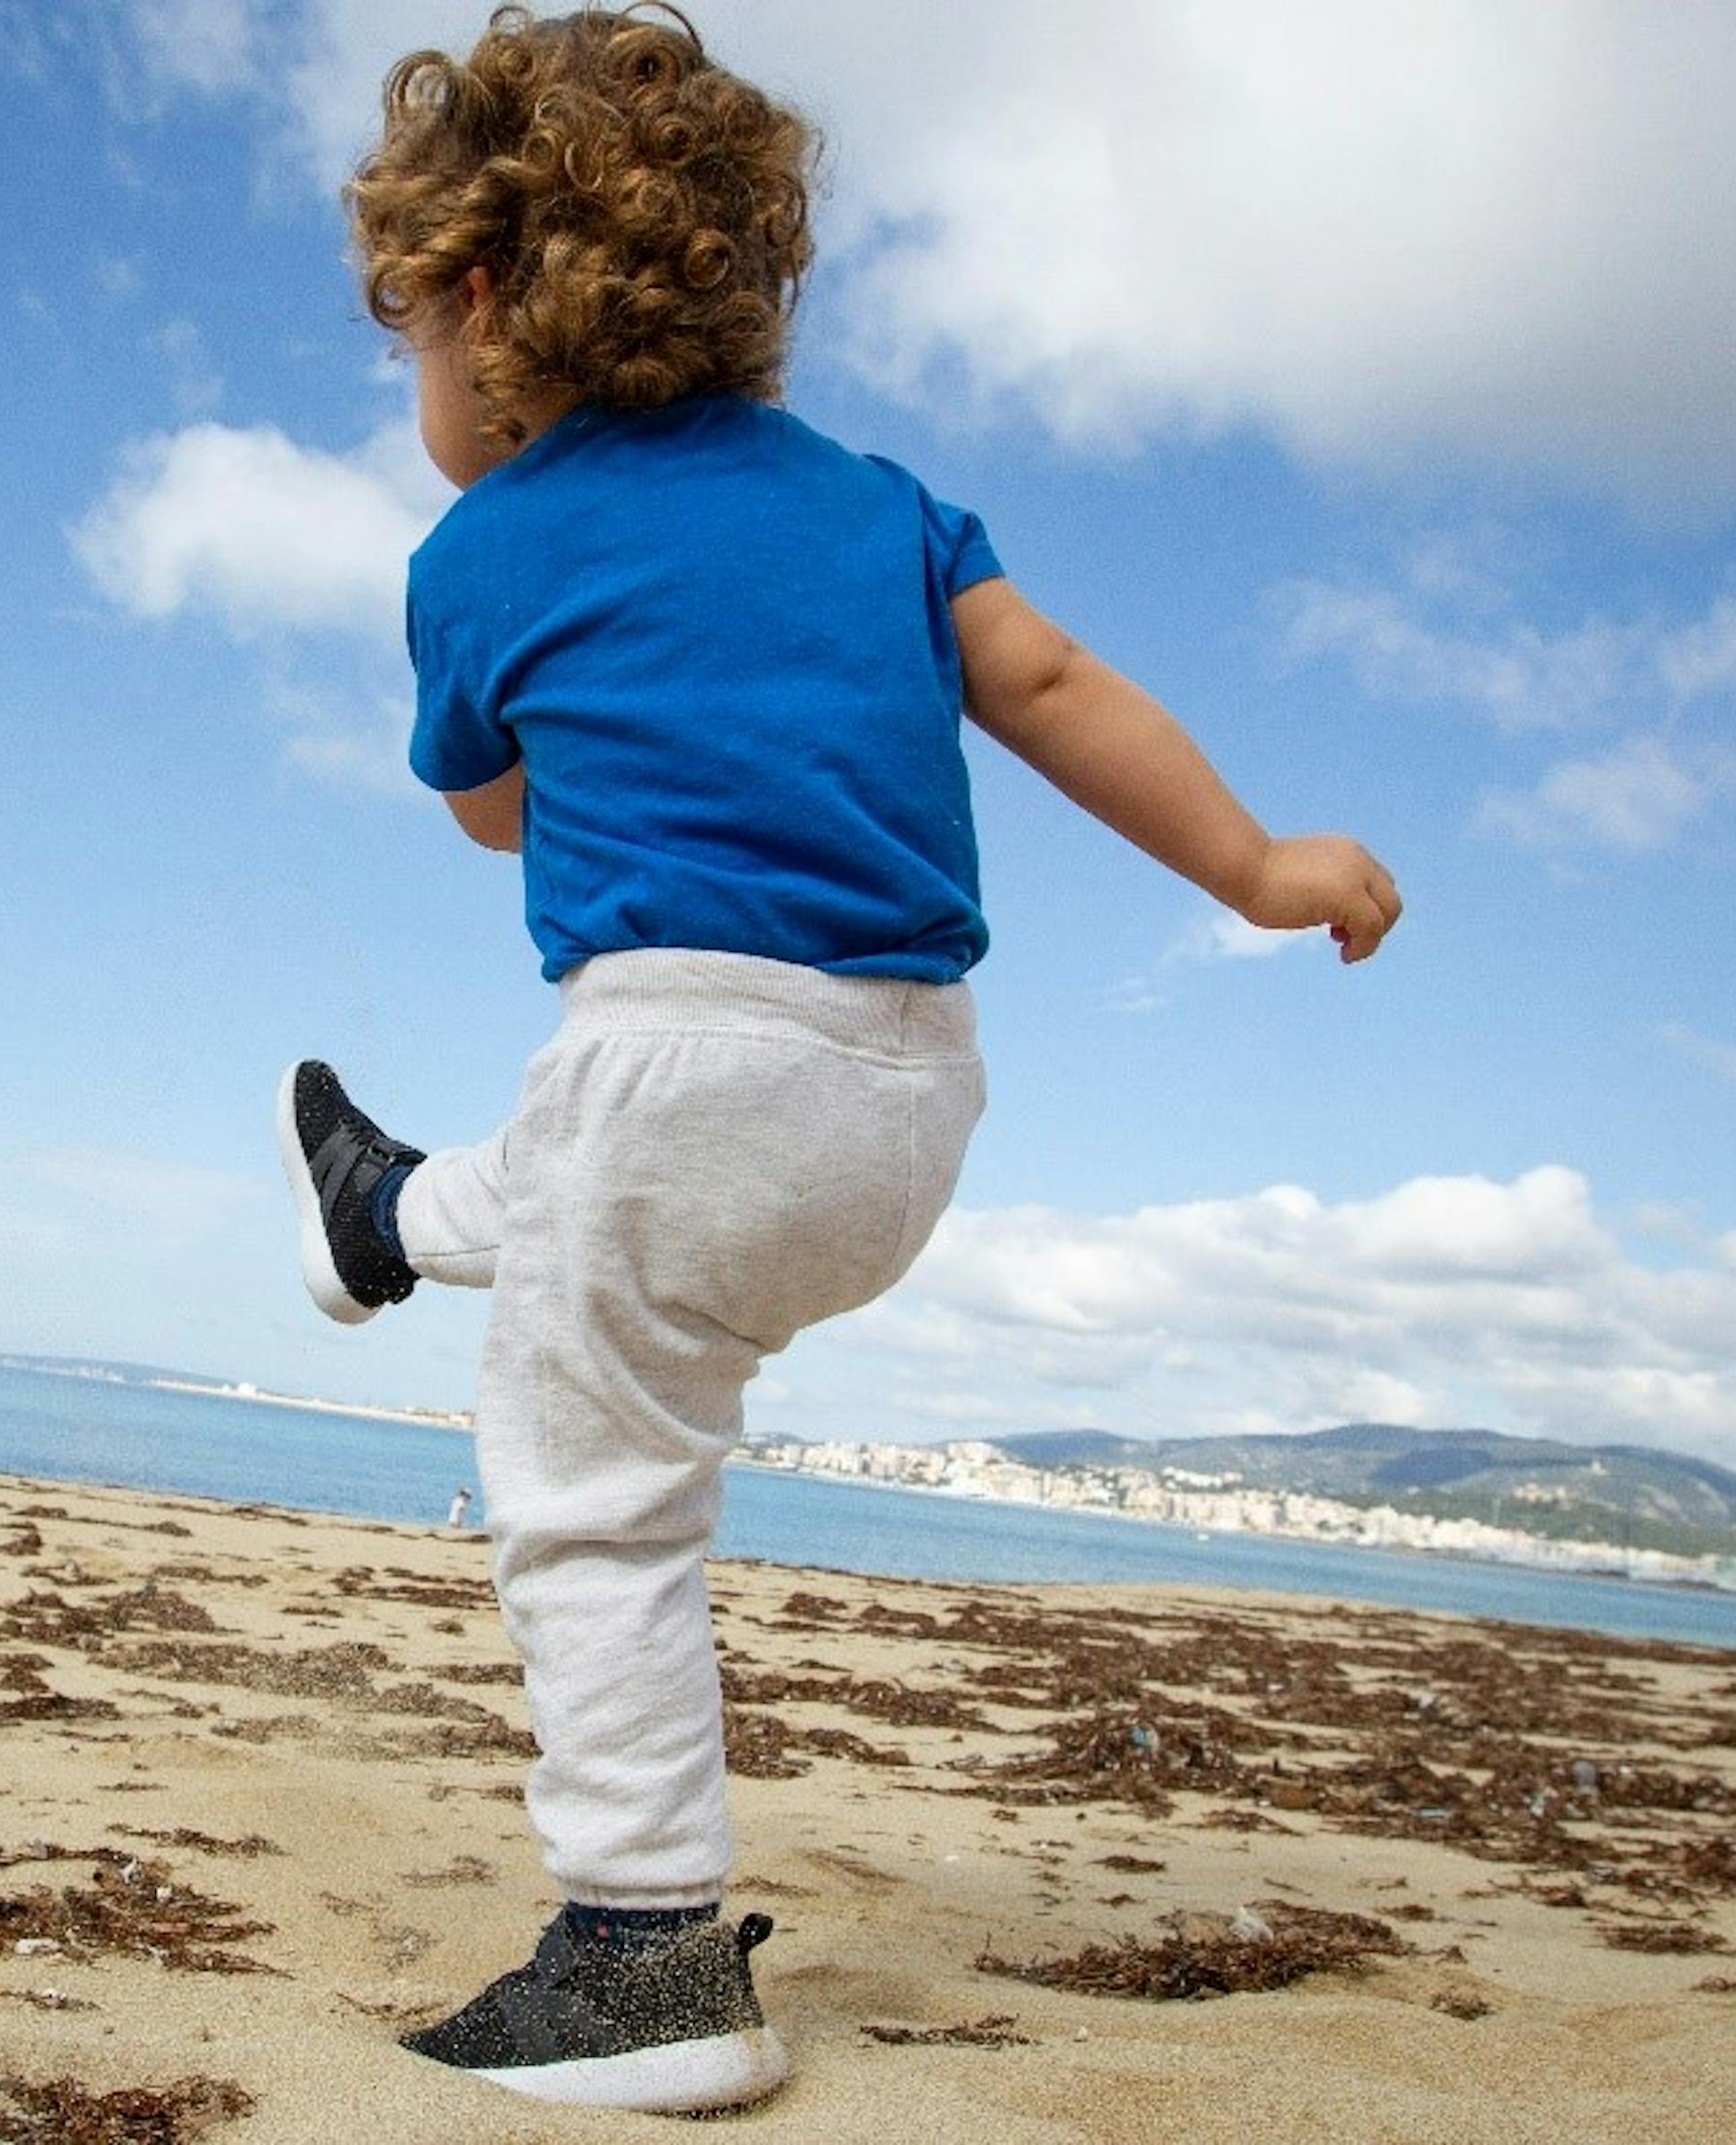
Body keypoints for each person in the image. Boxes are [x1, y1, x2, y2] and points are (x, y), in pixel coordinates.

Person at [276, 6, 1398, 2115]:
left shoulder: (475, 555)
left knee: (594, 1505)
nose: (409, 376)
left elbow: (493, 811)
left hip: (674, 1057)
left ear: (491, 300)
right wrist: (1250, 864)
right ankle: (376, 1212)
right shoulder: (883, 508)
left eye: (406, 330)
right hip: (901, 1098)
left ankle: (638, 1958)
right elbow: (1050, 683)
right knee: (580, 1187)